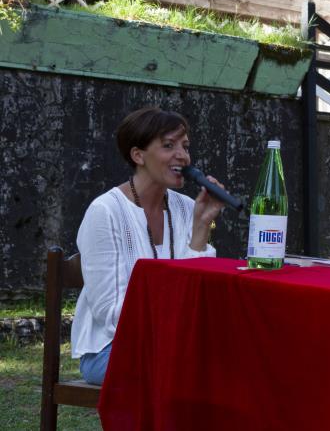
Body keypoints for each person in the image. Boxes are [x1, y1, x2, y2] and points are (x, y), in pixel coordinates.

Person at [71, 107, 225, 385]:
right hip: (110, 349)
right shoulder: (105, 211)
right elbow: (110, 312)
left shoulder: (188, 208)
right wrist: (174, 338)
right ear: (138, 155)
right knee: (198, 371)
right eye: (169, 145)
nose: (183, 155)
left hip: (176, 345)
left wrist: (201, 226)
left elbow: (199, 292)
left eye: (185, 146)